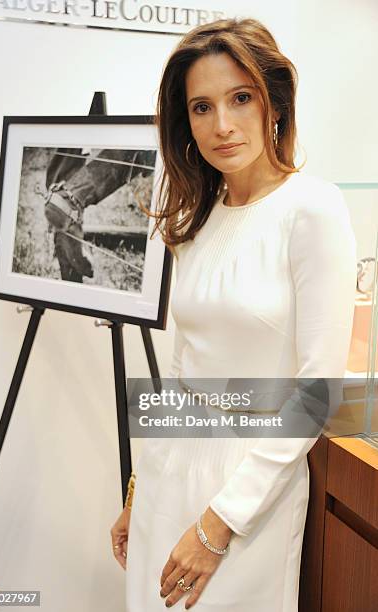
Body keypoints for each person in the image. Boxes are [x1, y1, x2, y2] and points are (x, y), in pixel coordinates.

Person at [110, 17, 357, 612]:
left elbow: (318, 393)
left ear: (274, 103)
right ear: (185, 123)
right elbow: (183, 368)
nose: (221, 125)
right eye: (201, 107)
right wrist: (139, 487)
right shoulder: (199, 212)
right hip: (173, 464)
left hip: (247, 484)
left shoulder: (313, 209)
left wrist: (218, 525)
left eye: (240, 98)